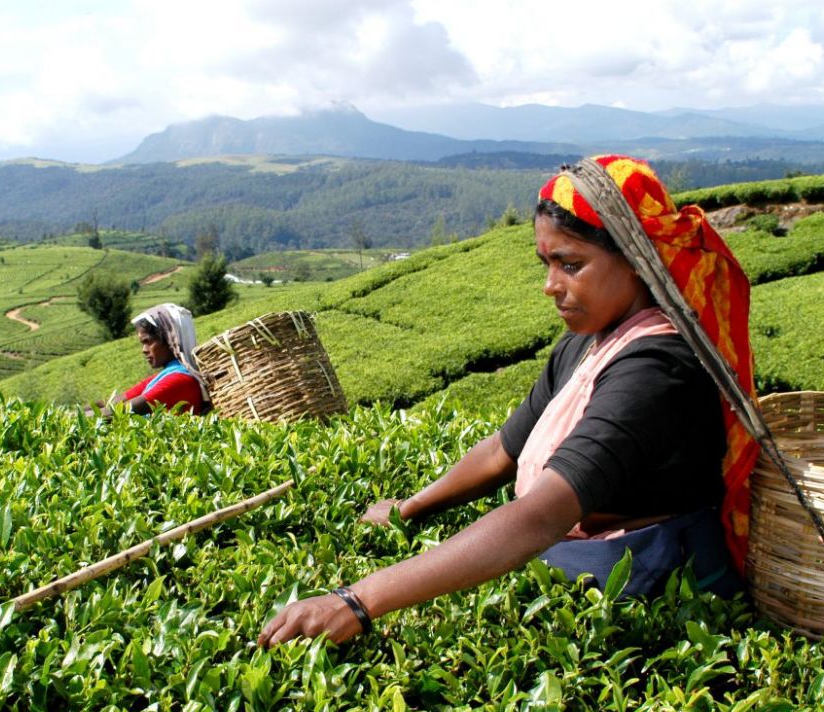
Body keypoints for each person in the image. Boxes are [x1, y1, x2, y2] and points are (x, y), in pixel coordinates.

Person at [258, 154, 760, 648]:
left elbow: (542, 514)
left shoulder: (657, 366)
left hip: (649, 583)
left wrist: (357, 600)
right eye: (547, 264)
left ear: (636, 260)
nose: (550, 286)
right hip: (585, 562)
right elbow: (504, 450)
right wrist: (410, 508)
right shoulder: (587, 341)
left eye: (571, 264)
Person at [95, 303, 209, 416]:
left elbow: (118, 412)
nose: (144, 350)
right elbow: (112, 402)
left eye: (148, 342)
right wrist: (78, 410)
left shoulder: (179, 379)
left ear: (169, 340)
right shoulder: (164, 376)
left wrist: (79, 416)